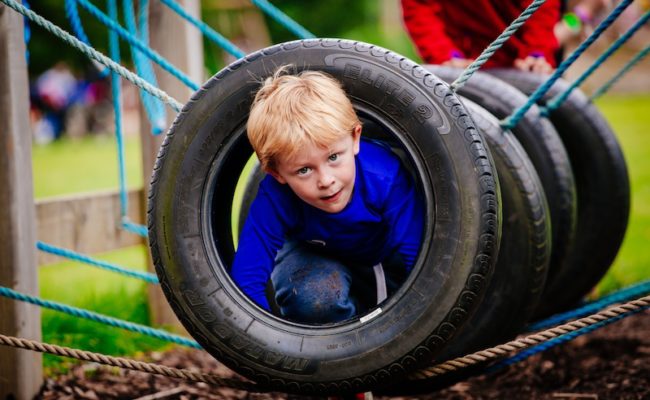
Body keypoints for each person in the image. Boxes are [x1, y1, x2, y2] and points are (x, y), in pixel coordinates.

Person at [231, 67, 425, 324]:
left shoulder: (384, 176)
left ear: (355, 138)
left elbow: (422, 262)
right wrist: (263, 342)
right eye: (304, 170)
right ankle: (332, 346)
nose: (326, 180)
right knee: (314, 299)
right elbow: (247, 278)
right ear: (276, 172)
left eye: (333, 157)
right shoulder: (276, 196)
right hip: (311, 252)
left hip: (384, 250)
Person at [400, 0, 561, 74]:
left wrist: (537, 52)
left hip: (519, 65)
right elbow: (420, 9)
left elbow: (541, 7)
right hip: (458, 66)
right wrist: (445, 56)